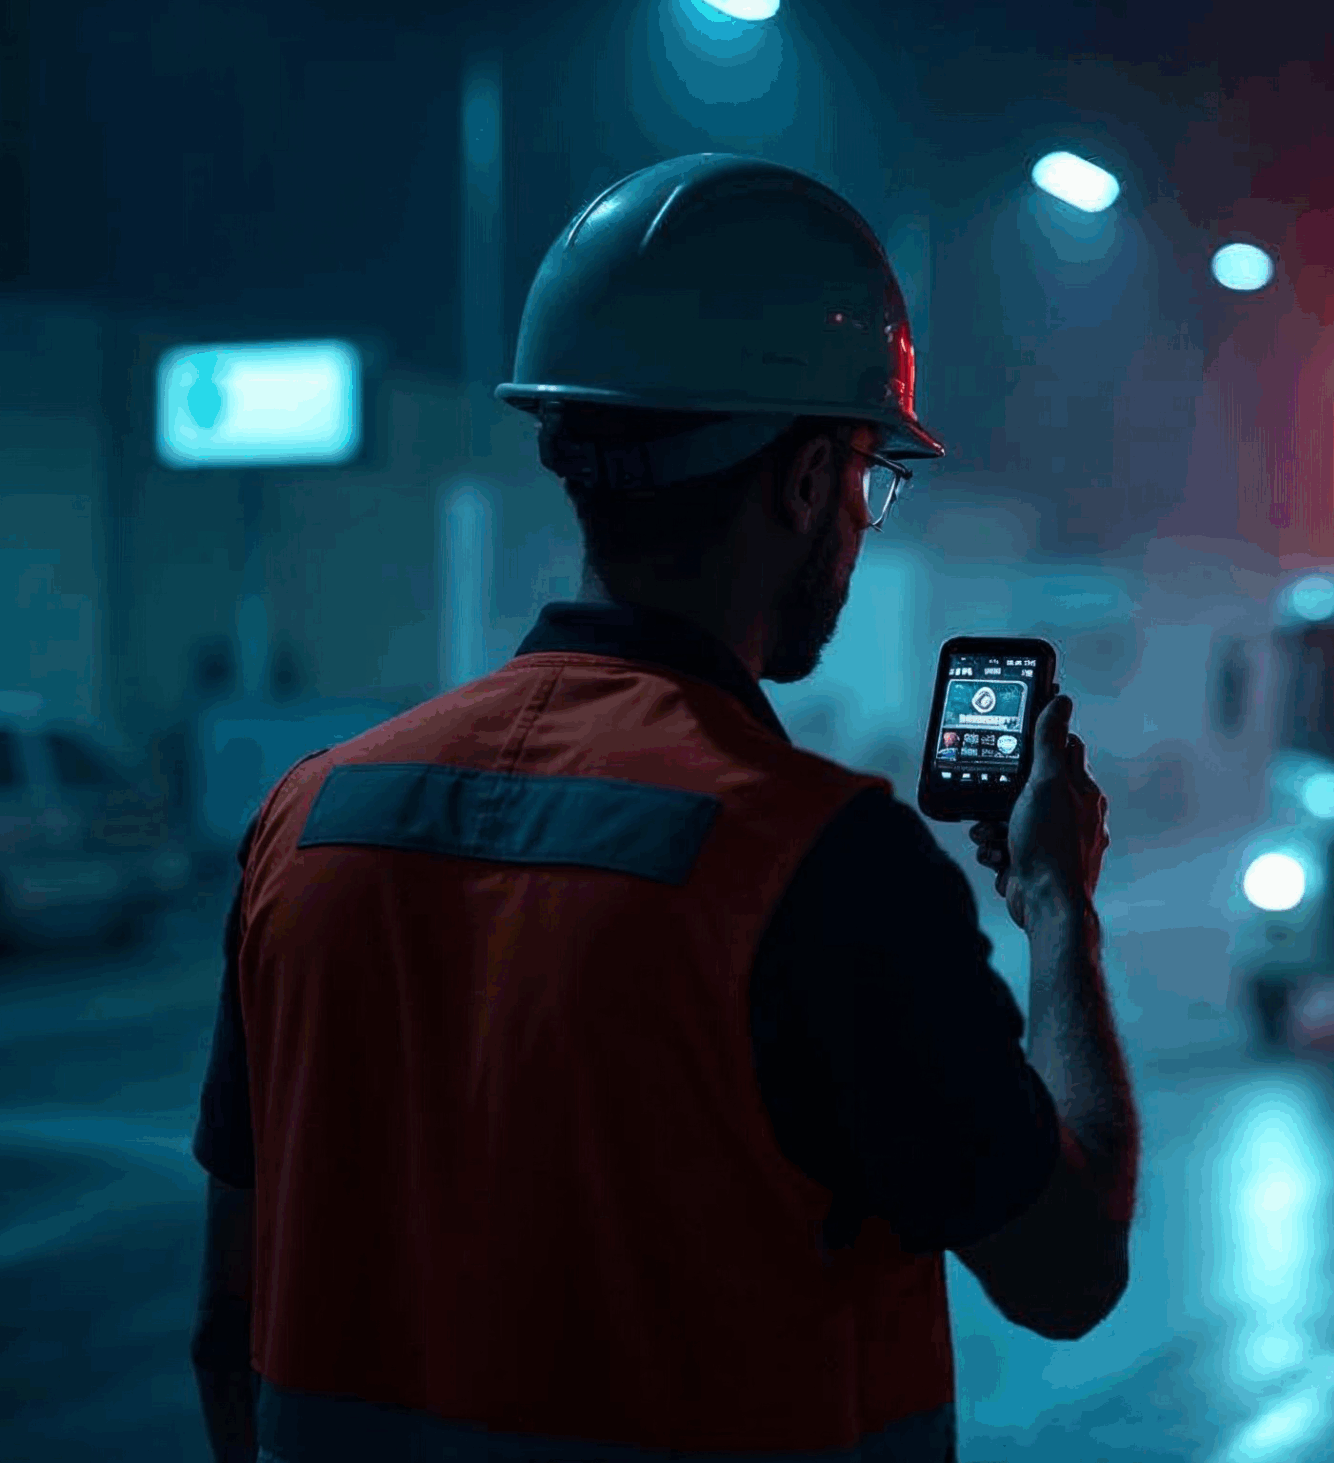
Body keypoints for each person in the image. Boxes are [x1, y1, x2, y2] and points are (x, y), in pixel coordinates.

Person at [188, 153, 1138, 1463]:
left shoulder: (310, 818)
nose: (864, 525)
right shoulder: (815, 862)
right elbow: (1068, 1263)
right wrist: (1055, 904)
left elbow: (226, 1325)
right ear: (806, 481)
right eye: (871, 478)